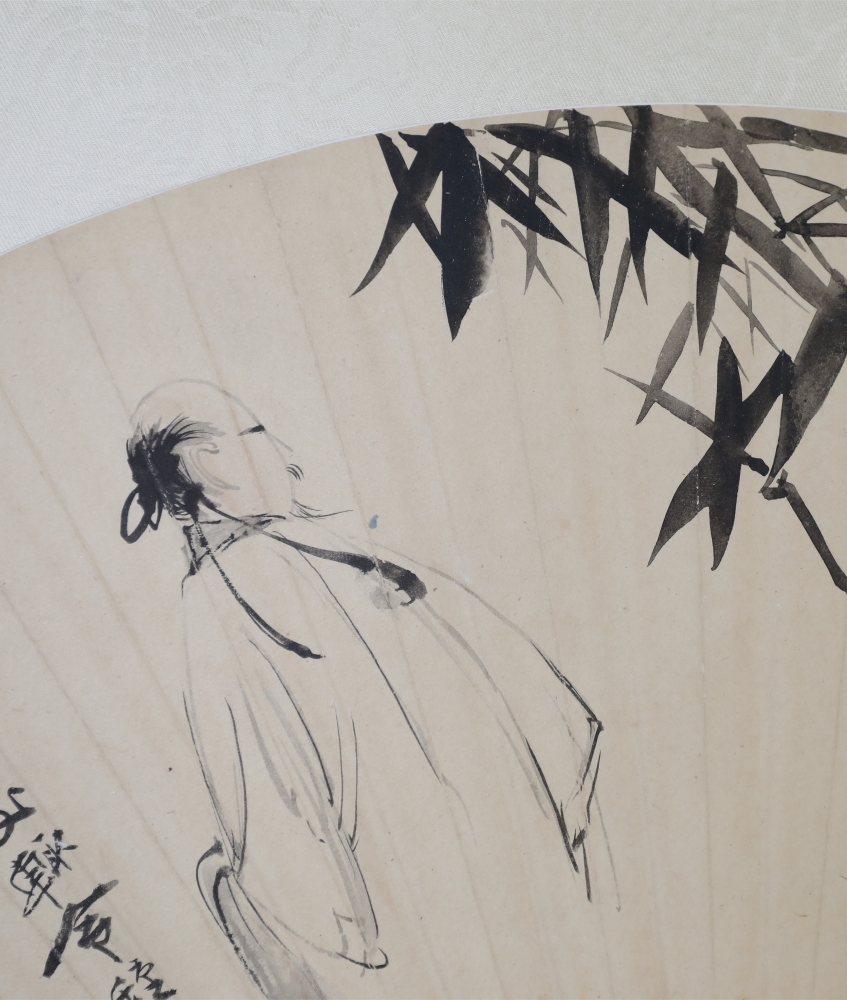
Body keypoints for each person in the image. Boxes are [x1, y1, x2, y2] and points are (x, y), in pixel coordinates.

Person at [120, 380, 607, 998]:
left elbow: (288, 870)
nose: (288, 457)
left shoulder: (318, 558)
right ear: (198, 471)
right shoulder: (233, 598)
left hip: (450, 887)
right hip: (462, 886)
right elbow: (278, 829)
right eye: (255, 437)